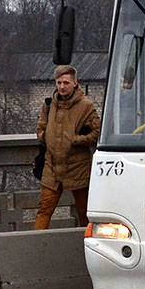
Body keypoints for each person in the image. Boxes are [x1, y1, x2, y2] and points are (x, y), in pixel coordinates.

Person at [34, 64, 101, 230]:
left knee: (84, 212)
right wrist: (46, 138)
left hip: (78, 166)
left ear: (75, 83)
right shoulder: (49, 105)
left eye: (65, 83)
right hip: (52, 165)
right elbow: (40, 127)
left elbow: (97, 133)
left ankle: (88, 247)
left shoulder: (85, 106)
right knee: (44, 209)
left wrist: (76, 140)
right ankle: (37, 246)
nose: (62, 87)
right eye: (59, 83)